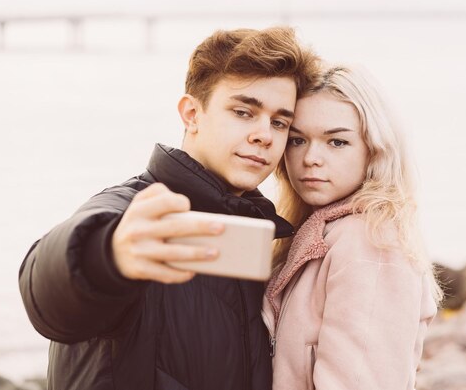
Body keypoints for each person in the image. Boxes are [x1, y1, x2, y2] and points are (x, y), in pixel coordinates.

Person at [18, 26, 320, 390]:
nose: (265, 135)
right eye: (243, 112)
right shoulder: (135, 211)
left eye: (279, 122)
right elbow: (47, 295)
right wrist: (108, 255)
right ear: (192, 113)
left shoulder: (253, 234)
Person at [262, 65, 443, 390]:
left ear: (375, 149)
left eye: (337, 142)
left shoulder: (372, 243)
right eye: (297, 139)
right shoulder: (319, 232)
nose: (310, 158)